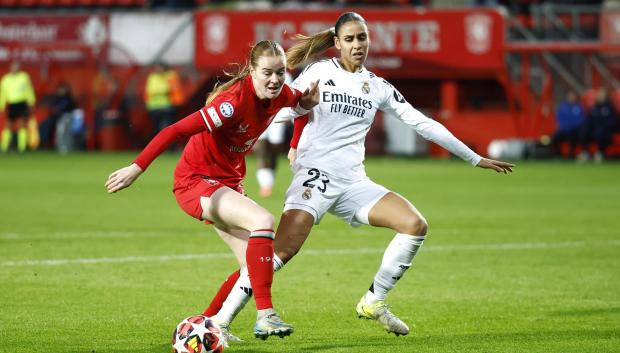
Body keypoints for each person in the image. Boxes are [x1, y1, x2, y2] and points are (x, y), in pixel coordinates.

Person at [202, 12, 514, 340]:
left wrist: (474, 157)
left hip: (353, 182)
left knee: (415, 226)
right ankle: (220, 322)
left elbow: (422, 122)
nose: (356, 45)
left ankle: (373, 301)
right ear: (336, 44)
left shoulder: (377, 87)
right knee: (282, 250)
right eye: (349, 39)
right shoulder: (320, 71)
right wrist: (241, 123)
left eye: (361, 38)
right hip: (315, 175)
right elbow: (287, 107)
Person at [105, 40, 320, 340]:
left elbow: (302, 106)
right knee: (263, 221)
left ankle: (210, 325)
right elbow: (174, 130)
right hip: (195, 181)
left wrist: (295, 144)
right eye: (267, 73)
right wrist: (136, 167)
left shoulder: (281, 92)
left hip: (228, 183)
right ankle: (265, 315)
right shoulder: (231, 103)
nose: (274, 79)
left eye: (280, 72)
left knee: (254, 266)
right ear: (251, 71)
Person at [254, 71, 293, 198]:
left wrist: (289, 115)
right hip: (260, 115)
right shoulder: (258, 73)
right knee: (261, 149)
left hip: (279, 117)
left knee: (274, 150)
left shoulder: (286, 76)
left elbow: (289, 96)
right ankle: (264, 185)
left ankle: (269, 180)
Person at [0, 60, 36, 153]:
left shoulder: (24, 77)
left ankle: (22, 147)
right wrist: (2, 106)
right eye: (13, 66)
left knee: (22, 124)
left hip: (22, 103)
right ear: (10, 67)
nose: (15, 68)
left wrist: (31, 102)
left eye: (16, 66)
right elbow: (3, 94)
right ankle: (4, 146)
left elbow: (29, 90)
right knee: (8, 125)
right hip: (11, 104)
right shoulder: (5, 79)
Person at [577, 87, 618, 163]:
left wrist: (603, 126)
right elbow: (589, 119)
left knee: (599, 132)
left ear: (606, 96)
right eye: (599, 94)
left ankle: (600, 153)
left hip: (605, 130)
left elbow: (613, 121)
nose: (600, 96)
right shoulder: (595, 107)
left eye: (602, 94)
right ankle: (585, 153)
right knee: (584, 131)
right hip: (594, 129)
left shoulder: (609, 107)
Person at [550, 91, 585, 159]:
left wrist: (571, 127)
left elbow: (580, 120)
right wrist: (564, 127)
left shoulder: (578, 107)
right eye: (570, 96)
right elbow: (559, 118)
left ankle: (571, 154)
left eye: (573, 97)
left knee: (572, 136)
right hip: (564, 129)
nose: (572, 98)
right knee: (555, 136)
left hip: (574, 130)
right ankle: (557, 154)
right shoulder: (563, 107)